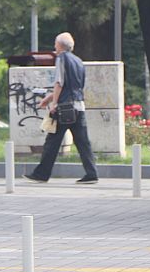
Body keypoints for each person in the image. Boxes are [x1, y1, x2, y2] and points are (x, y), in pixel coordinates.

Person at [24, 32, 99, 184]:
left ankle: (41, 174)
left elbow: (60, 83)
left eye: (55, 44)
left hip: (65, 108)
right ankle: (92, 173)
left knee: (52, 141)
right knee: (83, 142)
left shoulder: (62, 58)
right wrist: (48, 98)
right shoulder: (78, 61)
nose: (54, 47)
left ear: (60, 46)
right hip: (79, 106)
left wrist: (54, 103)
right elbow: (74, 85)